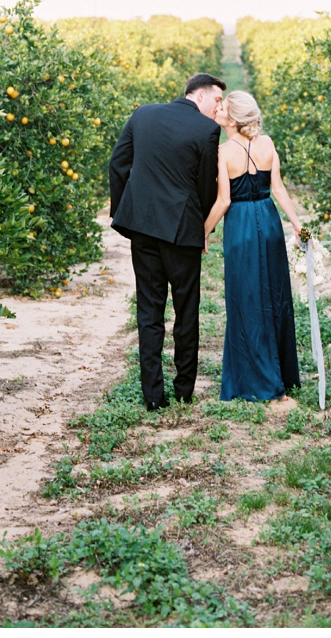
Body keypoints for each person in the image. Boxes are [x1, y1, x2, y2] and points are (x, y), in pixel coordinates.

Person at [108, 73, 224, 411]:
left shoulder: (143, 113)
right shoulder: (206, 131)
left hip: (142, 226)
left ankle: (153, 397)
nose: (219, 109)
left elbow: (118, 165)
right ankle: (184, 390)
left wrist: (124, 214)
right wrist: (202, 228)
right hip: (182, 231)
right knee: (186, 311)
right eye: (217, 100)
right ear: (199, 96)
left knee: (149, 310)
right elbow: (206, 186)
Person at [204, 90, 307, 404]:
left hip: (240, 227)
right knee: (275, 297)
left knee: (245, 298)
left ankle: (253, 379)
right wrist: (296, 223)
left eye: (223, 108)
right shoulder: (268, 144)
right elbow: (277, 188)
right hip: (268, 220)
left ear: (232, 120)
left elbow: (224, 200)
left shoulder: (223, 152)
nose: (218, 109)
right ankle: (282, 375)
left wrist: (203, 232)